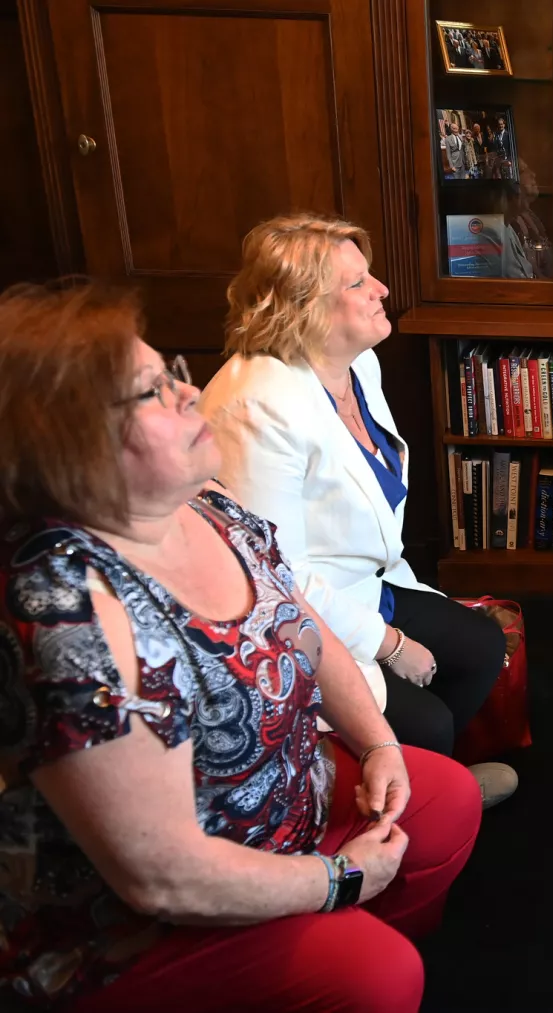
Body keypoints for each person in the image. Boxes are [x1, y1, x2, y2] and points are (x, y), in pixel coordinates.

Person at [0, 281, 481, 1011]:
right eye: (152, 392)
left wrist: (379, 742)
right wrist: (338, 880)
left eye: (174, 373)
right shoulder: (68, 614)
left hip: (288, 810)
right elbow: (161, 875)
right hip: (143, 926)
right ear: (67, 444)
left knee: (448, 797)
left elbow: (303, 632)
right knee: (377, 976)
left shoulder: (207, 503)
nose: (190, 395)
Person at [200, 214, 518, 807]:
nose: (383, 290)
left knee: (479, 649)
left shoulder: (356, 364)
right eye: (357, 283)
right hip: (296, 617)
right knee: (426, 723)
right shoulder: (256, 406)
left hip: (365, 583)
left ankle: (430, 781)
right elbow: (275, 579)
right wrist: (390, 646)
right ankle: (413, 802)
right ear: (303, 309)